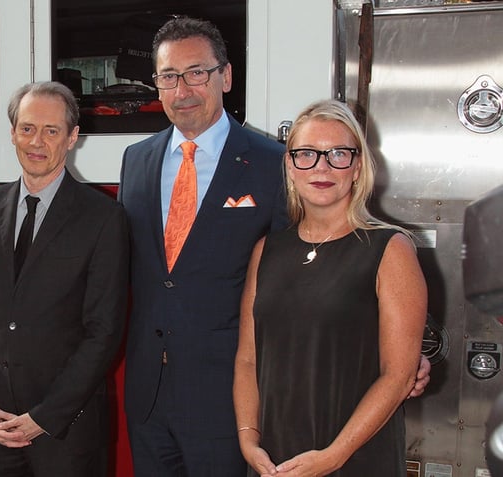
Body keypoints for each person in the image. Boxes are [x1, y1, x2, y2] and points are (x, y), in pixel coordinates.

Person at [118, 16, 430, 476]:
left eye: (197, 72)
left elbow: (329, 254)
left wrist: (407, 349)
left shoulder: (274, 163)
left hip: (230, 403)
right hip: (147, 397)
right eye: (169, 76)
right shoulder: (136, 160)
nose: (182, 89)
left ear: (225, 76)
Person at [233, 99, 427, 476]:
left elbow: (399, 375)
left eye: (338, 153)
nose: (321, 167)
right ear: (290, 165)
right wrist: (248, 438)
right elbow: (247, 359)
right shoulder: (267, 251)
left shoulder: (391, 248)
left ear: (357, 167)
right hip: (274, 460)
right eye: (307, 154)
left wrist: (334, 455)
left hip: (355, 457)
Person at [0, 81, 129, 476]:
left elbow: (103, 332)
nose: (37, 142)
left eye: (51, 131)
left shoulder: (103, 218)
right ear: (12, 133)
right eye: (27, 128)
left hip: (67, 432)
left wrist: (44, 416)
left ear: (72, 137)